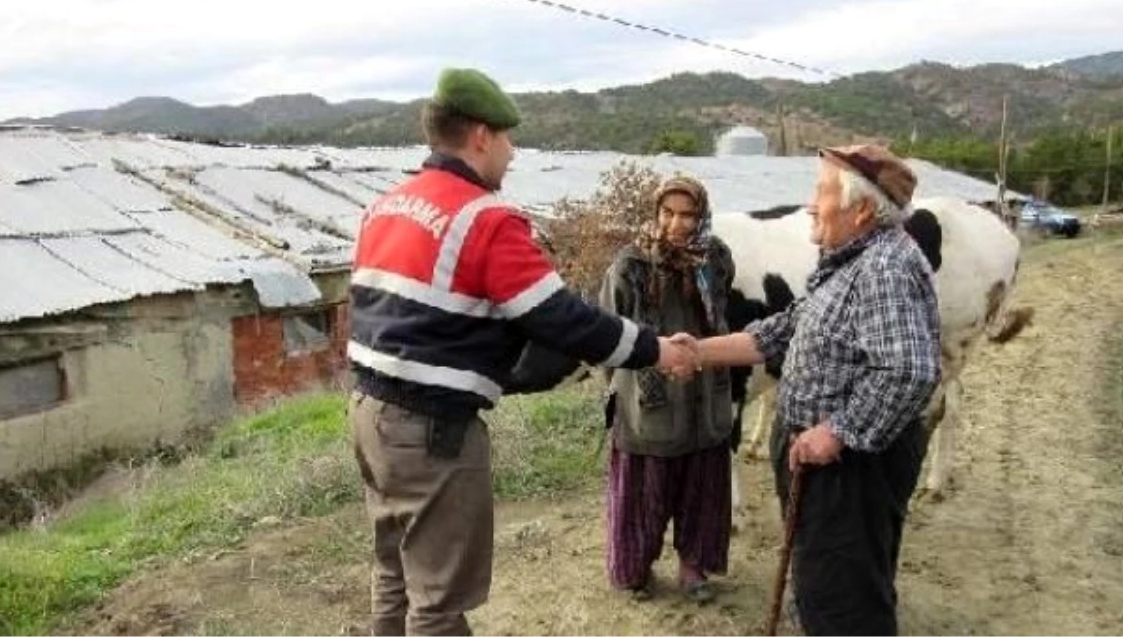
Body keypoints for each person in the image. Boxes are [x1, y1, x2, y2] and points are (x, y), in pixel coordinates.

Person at [347, 67, 698, 637]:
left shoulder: (386, 205)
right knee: (437, 602)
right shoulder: (485, 218)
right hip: (430, 430)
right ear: (481, 136)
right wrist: (655, 349)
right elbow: (559, 317)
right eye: (509, 140)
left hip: (368, 412)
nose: (512, 155)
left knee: (395, 571)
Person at [676, 144, 942, 636]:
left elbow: (909, 371)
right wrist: (698, 351)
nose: (810, 204)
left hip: (850, 467)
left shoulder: (884, 268)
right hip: (827, 461)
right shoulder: (851, 261)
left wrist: (836, 432)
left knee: (844, 603)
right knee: (829, 582)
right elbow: (784, 329)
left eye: (821, 192)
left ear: (861, 209)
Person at [597, 176, 736, 603]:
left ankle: (693, 569)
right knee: (643, 493)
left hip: (704, 392)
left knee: (701, 486)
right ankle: (635, 571)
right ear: (655, 213)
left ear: (702, 216)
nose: (676, 223)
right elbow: (607, 333)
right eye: (668, 213)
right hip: (648, 400)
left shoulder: (715, 258)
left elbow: (720, 316)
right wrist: (626, 388)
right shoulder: (630, 265)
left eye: (688, 214)